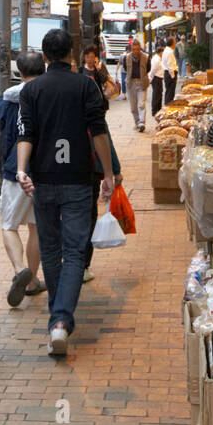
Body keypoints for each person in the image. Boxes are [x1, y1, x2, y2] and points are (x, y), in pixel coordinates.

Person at [16, 28, 113, 357]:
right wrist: (109, 173)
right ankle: (60, 322)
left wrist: (21, 170)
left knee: (50, 248)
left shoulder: (32, 90)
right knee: (74, 252)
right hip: (77, 180)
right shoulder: (85, 85)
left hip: (43, 180)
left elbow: (25, 133)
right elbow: (98, 130)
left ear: (44, 57)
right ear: (71, 54)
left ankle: (57, 320)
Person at [0, 52, 47, 308]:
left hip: (16, 170)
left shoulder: (7, 100)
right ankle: (32, 280)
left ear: (20, 71)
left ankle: (19, 270)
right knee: (35, 227)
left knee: (9, 225)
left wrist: (8, 163)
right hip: (43, 171)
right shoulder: (48, 95)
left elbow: (5, 137)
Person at [79, 44, 123, 283]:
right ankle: (82, 265)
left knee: (73, 217)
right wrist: (113, 172)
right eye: (88, 54)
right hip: (89, 172)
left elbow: (114, 89)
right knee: (87, 216)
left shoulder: (99, 72)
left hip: (66, 174)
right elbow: (103, 140)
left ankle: (72, 263)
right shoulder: (94, 118)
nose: (90, 57)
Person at [122, 37, 150, 131]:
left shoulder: (146, 57)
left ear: (140, 48)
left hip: (142, 82)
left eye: (137, 49)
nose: (136, 51)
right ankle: (137, 122)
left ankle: (142, 123)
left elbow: (148, 69)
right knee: (133, 107)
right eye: (134, 49)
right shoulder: (126, 58)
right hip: (131, 83)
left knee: (141, 104)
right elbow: (126, 69)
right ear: (131, 49)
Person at [149, 42, 164, 121]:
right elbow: (153, 70)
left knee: (159, 94)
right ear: (160, 52)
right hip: (156, 78)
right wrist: (150, 79)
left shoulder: (159, 59)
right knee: (156, 95)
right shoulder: (156, 59)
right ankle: (154, 110)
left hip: (159, 78)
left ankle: (158, 109)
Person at [162, 35, 179, 105]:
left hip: (168, 73)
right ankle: (168, 107)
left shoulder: (167, 50)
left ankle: (167, 105)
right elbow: (170, 65)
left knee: (169, 92)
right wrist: (173, 76)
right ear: (172, 43)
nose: (176, 43)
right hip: (170, 74)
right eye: (175, 42)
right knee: (170, 93)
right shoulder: (169, 52)